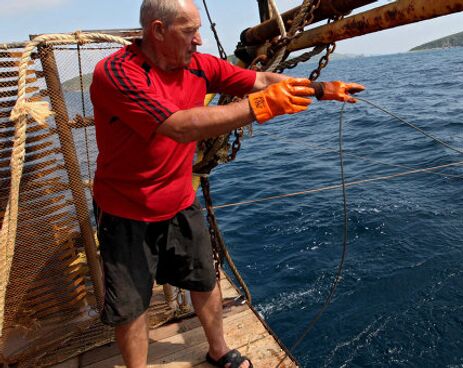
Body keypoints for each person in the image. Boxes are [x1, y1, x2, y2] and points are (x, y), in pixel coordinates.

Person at [89, 0, 364, 367]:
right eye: (189, 32)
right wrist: (261, 108)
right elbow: (178, 126)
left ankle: (218, 351)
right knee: (132, 305)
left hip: (179, 199)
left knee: (204, 279)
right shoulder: (118, 74)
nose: (200, 40)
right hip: (125, 210)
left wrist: (321, 89)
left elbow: (262, 80)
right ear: (157, 30)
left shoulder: (199, 66)